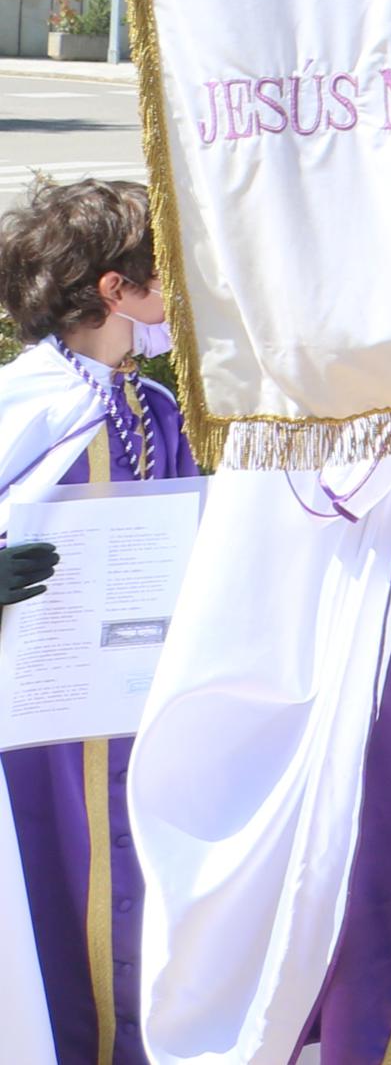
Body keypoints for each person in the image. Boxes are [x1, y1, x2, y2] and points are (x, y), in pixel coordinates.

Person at [0, 180, 195, 1058]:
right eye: (165, 273)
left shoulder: (157, 409)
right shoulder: (23, 404)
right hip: (32, 740)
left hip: (138, 721)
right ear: (116, 290)